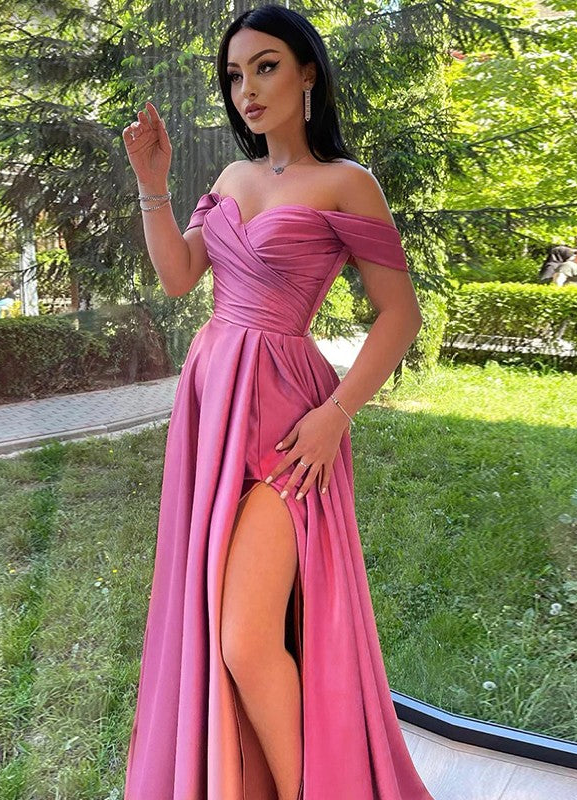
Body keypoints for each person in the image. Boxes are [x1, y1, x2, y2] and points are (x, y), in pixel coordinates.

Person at [122, 5, 434, 799]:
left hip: (290, 420)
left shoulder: (347, 183)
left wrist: (337, 415)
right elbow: (179, 277)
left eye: (265, 67)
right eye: (235, 76)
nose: (247, 90)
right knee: (215, 623)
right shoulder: (233, 179)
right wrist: (153, 186)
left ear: (307, 74)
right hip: (212, 410)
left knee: (246, 639)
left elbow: (400, 315)